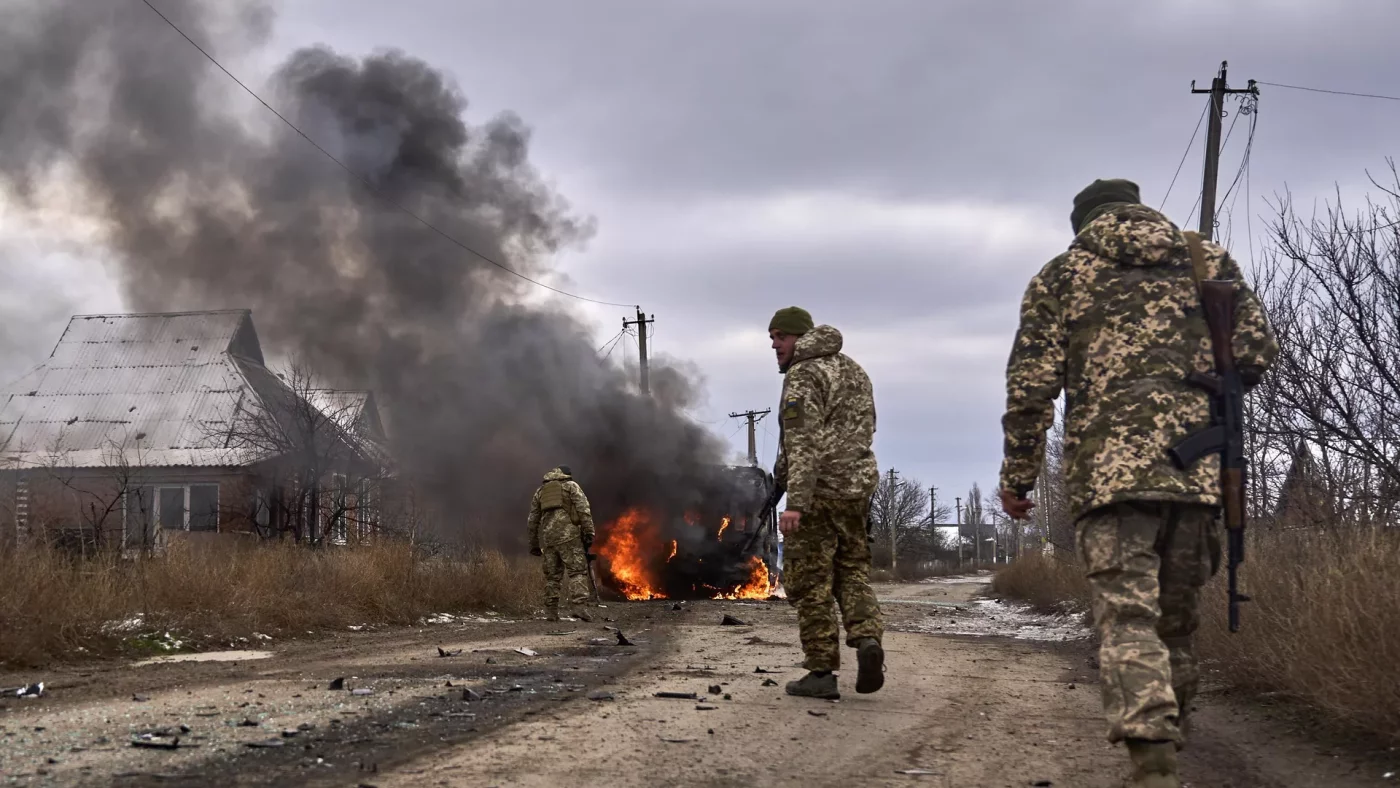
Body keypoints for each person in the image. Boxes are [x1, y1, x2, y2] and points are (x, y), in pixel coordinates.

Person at [997, 179, 1277, 788]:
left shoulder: (1061, 275)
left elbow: (1030, 389)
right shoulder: (1206, 260)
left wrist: (1018, 475)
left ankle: (1153, 763)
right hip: (1197, 476)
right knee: (1176, 626)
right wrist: (1196, 389)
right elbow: (1255, 352)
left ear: (1083, 224)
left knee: (1128, 619)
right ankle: (1173, 745)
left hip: (1110, 482)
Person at [768, 306, 884, 700]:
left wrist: (794, 501)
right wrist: (777, 482)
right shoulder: (853, 370)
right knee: (851, 571)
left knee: (810, 582)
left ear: (800, 337)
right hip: (856, 491)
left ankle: (821, 672)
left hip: (817, 494)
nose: (774, 343)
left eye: (780, 336)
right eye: (772, 337)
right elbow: (865, 429)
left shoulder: (804, 374)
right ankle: (867, 638)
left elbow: (802, 444)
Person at [526, 465, 596, 622]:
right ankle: (579, 608)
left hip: (549, 539)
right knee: (577, 571)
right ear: (566, 475)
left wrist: (534, 544)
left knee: (552, 577)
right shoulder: (571, 486)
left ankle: (551, 612)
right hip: (569, 537)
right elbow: (584, 510)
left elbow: (532, 520)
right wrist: (589, 532)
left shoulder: (541, 491)